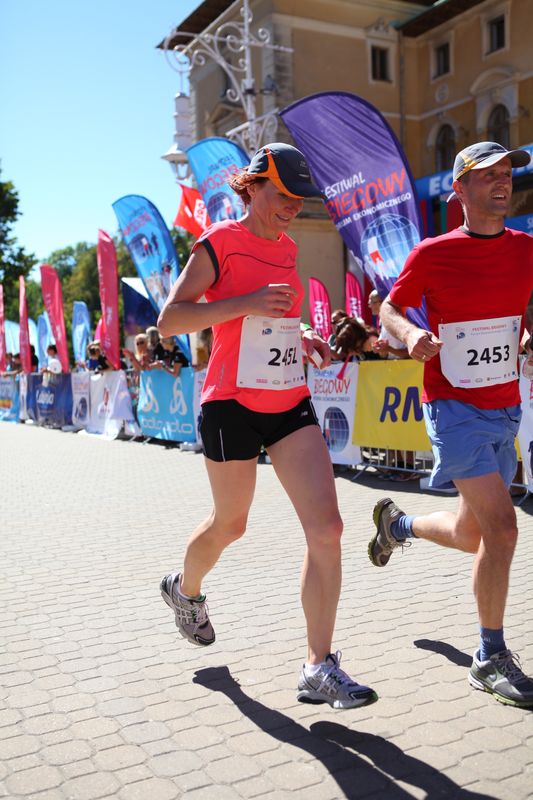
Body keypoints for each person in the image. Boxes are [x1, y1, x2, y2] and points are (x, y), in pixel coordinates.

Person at [157, 142, 378, 710]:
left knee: (328, 528)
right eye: (282, 194)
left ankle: (318, 667)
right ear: (252, 186)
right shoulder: (219, 242)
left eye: (299, 198)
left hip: (287, 399)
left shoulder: (288, 248)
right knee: (230, 525)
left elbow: (273, 319)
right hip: (230, 403)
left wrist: (301, 336)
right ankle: (185, 590)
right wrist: (248, 301)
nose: (292, 207)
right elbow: (171, 320)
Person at [368, 141, 533, 708]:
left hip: (505, 406)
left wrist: (527, 333)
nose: (502, 182)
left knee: (472, 535)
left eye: (507, 173)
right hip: (453, 405)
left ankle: (399, 527)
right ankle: (490, 656)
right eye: (488, 175)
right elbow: (390, 308)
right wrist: (410, 333)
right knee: (503, 529)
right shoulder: (433, 253)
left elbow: (524, 310)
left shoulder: (526, 249)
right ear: (459, 189)